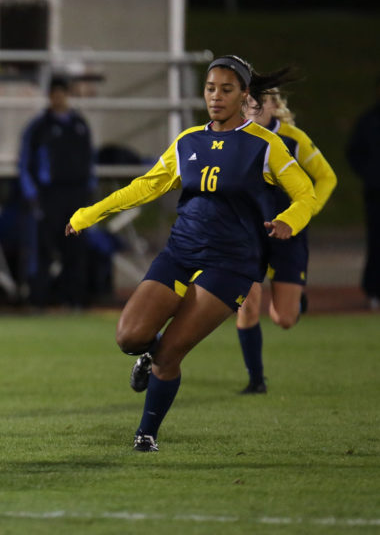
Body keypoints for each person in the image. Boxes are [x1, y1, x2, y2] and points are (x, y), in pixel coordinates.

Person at [65, 55, 317, 452]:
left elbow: (306, 192)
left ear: (244, 95)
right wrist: (89, 213)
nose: (216, 97)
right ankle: (145, 357)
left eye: (227, 90)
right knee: (130, 337)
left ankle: (146, 433)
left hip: (231, 263)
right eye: (210, 88)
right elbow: (145, 187)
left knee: (170, 352)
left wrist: (290, 219)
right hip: (181, 252)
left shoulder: (267, 146)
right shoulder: (189, 141)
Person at [235, 89, 336, 393]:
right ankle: (256, 380)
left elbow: (327, 177)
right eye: (247, 104)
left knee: (284, 319)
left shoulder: (294, 139)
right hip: (252, 236)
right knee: (248, 305)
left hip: (289, 235)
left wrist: (304, 214)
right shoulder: (238, 137)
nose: (251, 109)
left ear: (275, 106)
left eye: (258, 104)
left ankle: (296, 301)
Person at [19, 76, 94, 308]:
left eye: (63, 92)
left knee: (76, 249)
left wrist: (90, 191)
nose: (59, 98)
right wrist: (31, 193)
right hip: (50, 195)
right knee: (44, 247)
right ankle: (40, 300)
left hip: (76, 194)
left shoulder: (80, 125)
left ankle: (74, 299)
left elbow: (89, 161)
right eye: (55, 93)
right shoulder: (38, 127)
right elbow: (24, 163)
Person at [347, 75, 380, 311]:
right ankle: (374, 290)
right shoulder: (369, 121)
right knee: (377, 242)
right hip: (376, 193)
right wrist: (369, 175)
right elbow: (353, 152)